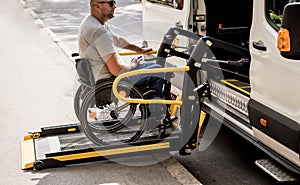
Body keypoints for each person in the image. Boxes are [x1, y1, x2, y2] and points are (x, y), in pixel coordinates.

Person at [78, 0, 165, 120]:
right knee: (158, 71)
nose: (115, 6)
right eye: (111, 3)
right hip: (111, 83)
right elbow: (116, 70)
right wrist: (133, 65)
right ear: (97, 5)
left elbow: (117, 40)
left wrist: (138, 49)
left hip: (102, 79)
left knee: (151, 65)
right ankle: (153, 117)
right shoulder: (98, 31)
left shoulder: (92, 22)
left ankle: (150, 108)